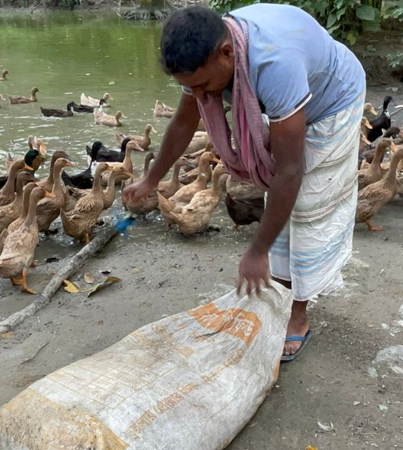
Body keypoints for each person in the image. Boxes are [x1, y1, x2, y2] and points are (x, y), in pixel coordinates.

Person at [122, 4, 366, 362]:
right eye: (190, 88)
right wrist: (151, 179)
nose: (200, 97)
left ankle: (298, 314)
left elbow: (289, 172)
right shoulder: (205, 55)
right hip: (289, 99)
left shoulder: (275, 65)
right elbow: (183, 122)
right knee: (280, 207)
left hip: (333, 102)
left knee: (310, 207)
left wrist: (256, 251)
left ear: (227, 53)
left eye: (202, 86)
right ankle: (280, 289)